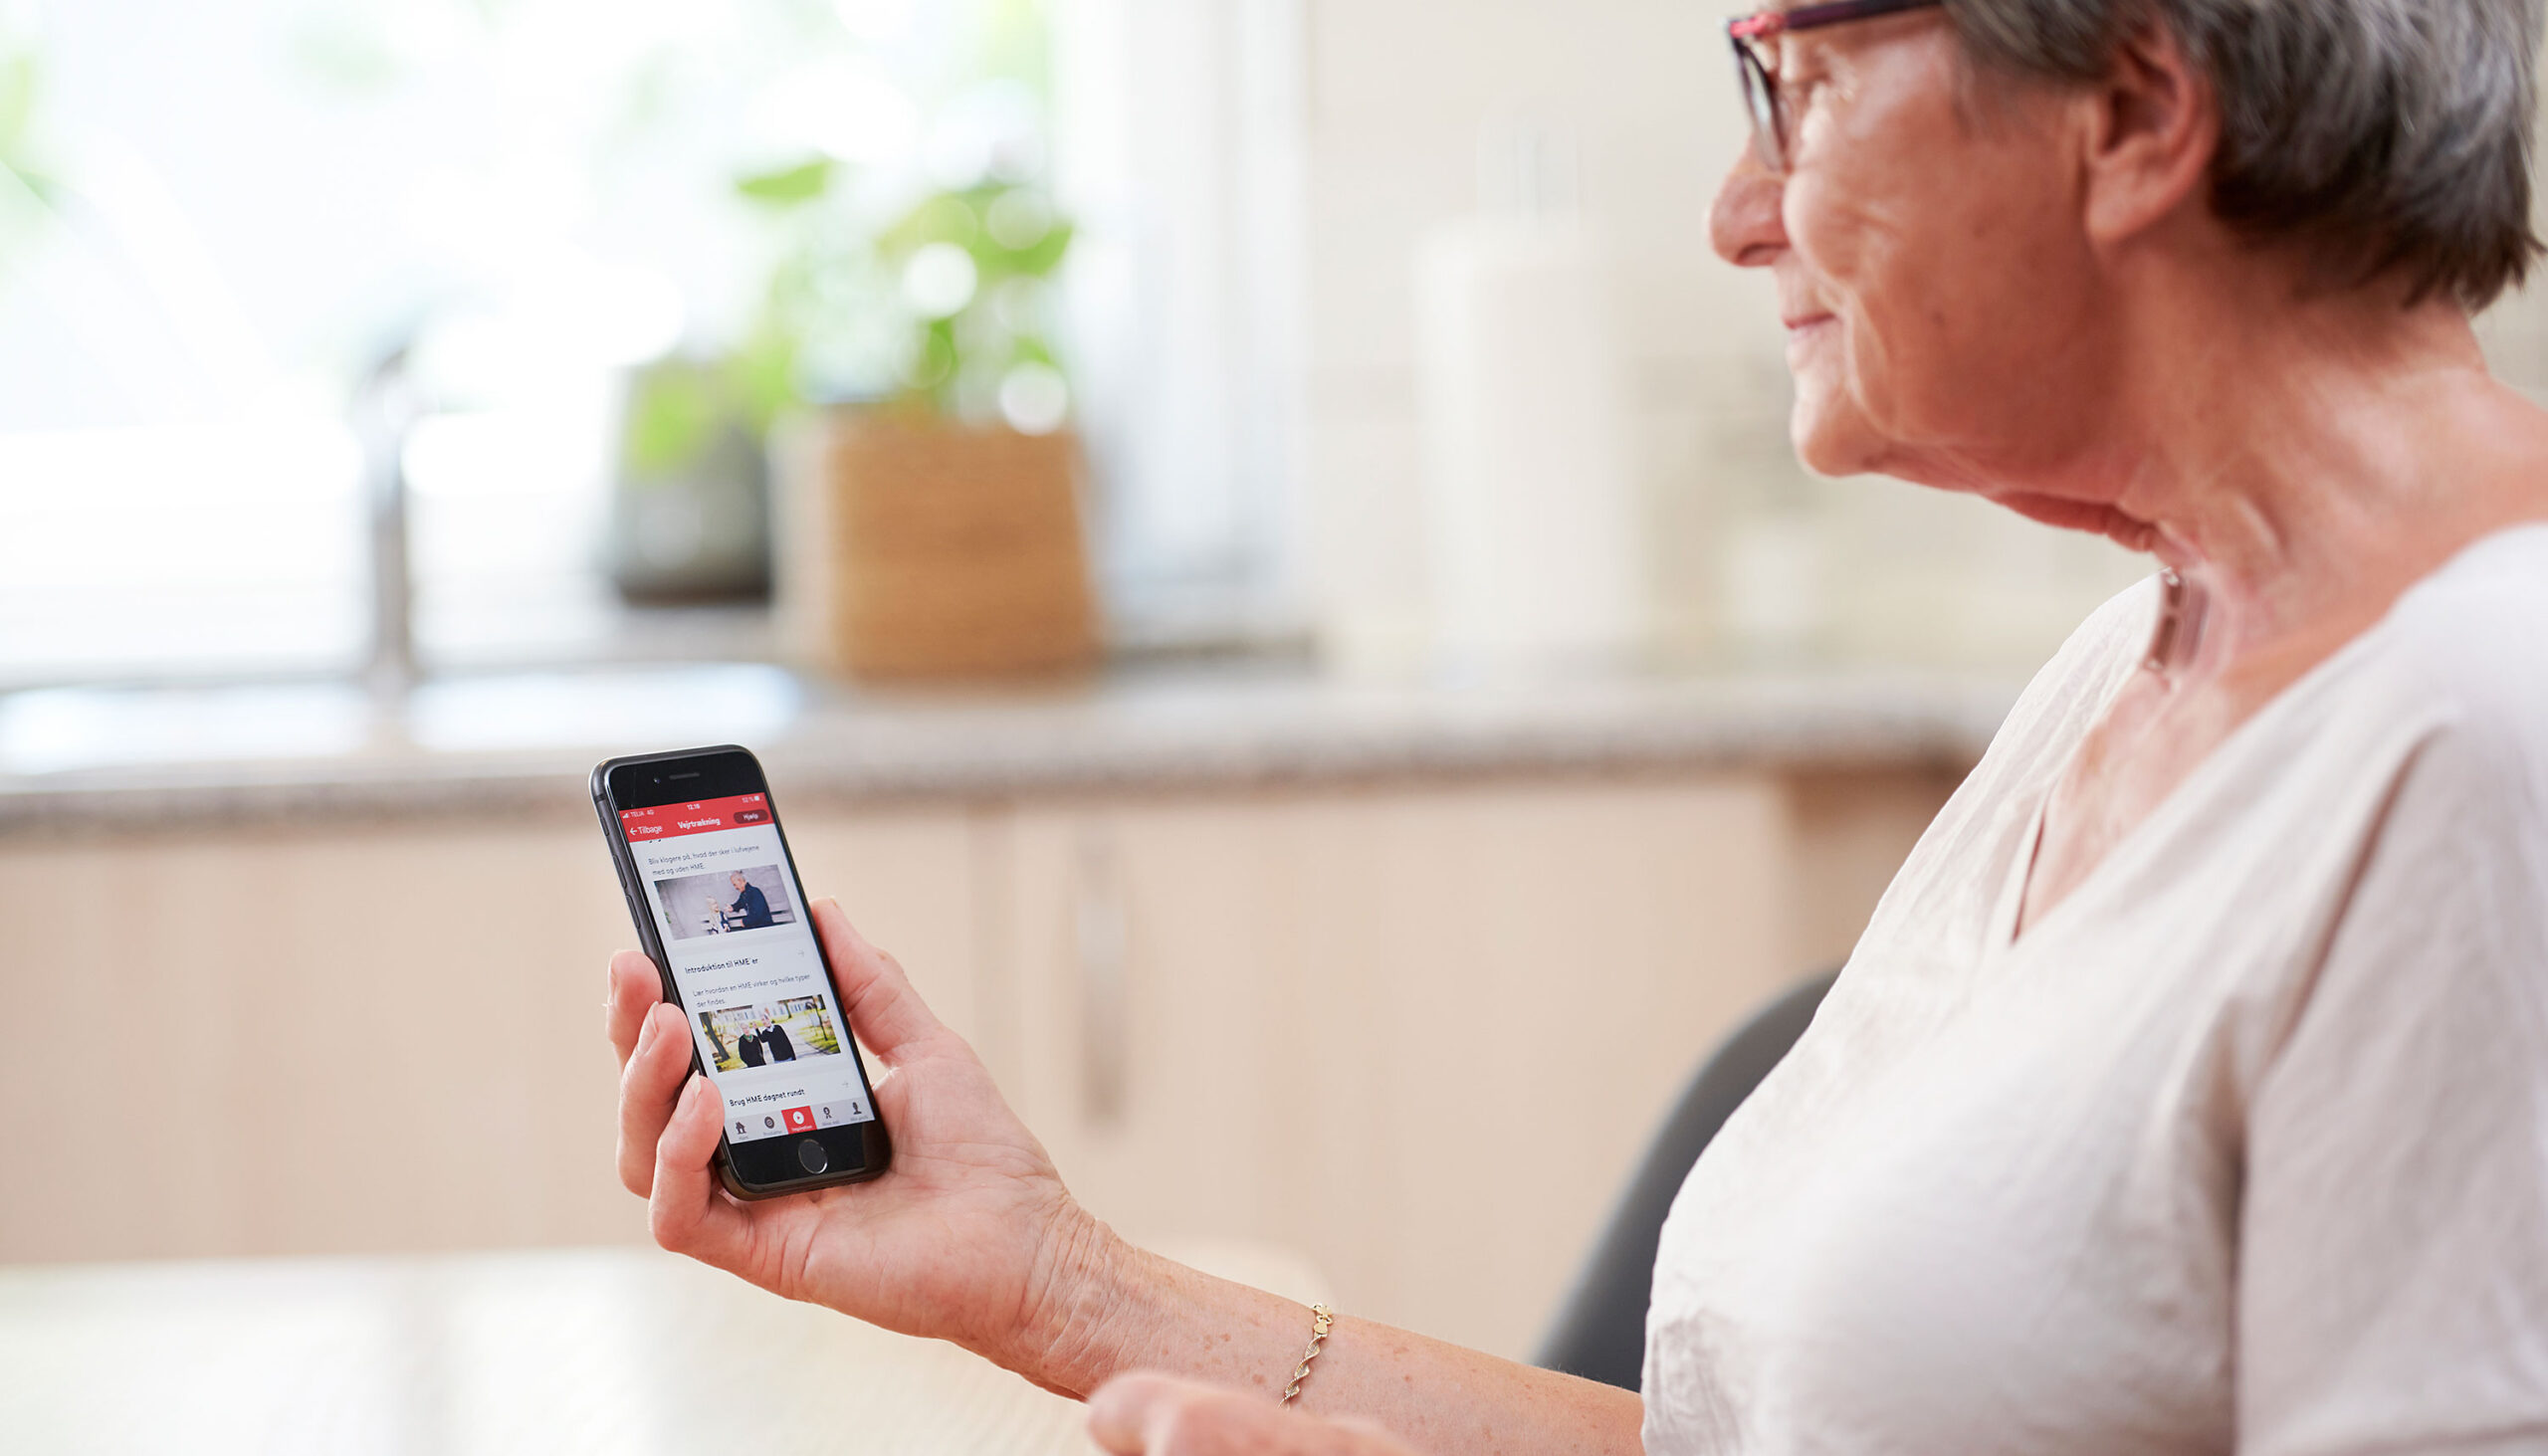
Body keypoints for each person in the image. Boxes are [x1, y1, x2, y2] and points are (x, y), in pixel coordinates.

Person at [605, 0, 2548, 1450]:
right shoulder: (2150, 658)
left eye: (1782, 82)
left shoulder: (2476, 756)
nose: (1730, 210)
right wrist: (1054, 1283)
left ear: (2125, 113)